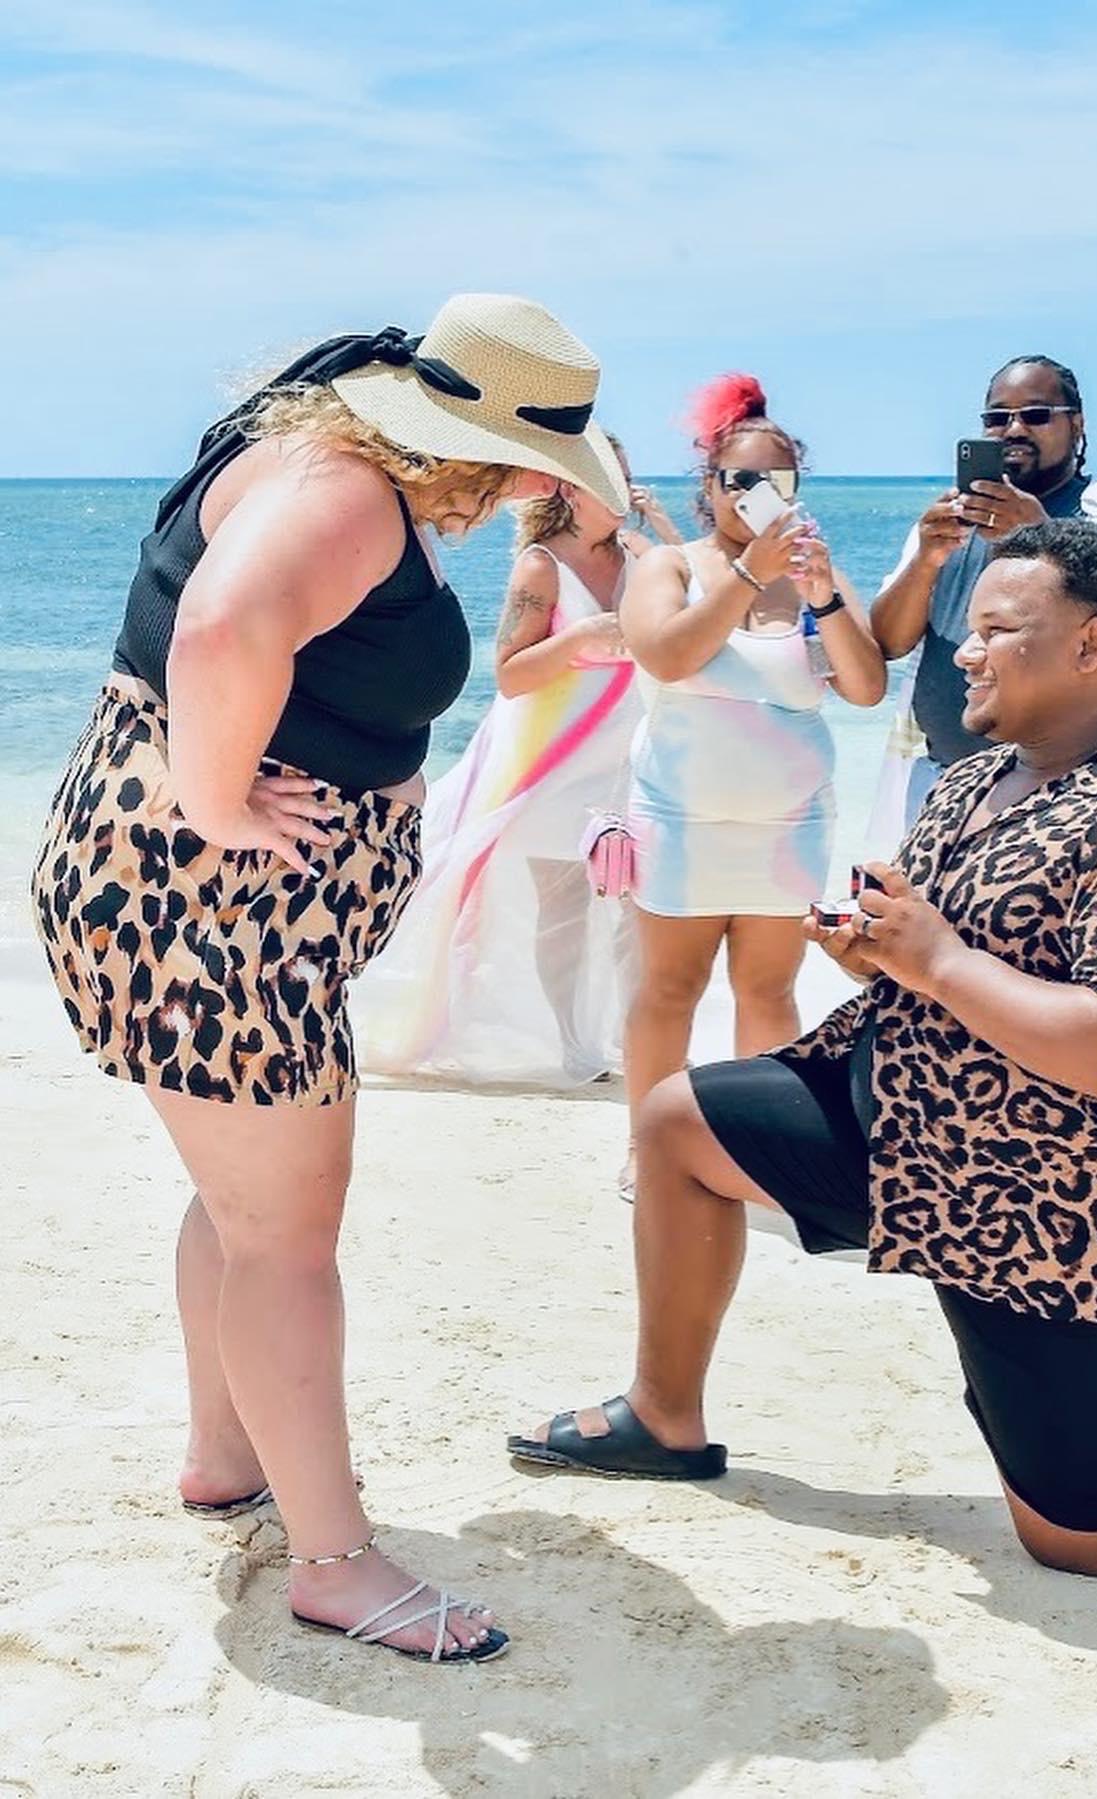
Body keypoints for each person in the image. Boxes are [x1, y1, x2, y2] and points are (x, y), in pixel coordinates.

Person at [511, 520, 1097, 1564]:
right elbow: (938, 954)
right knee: (677, 1122)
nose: (967, 652)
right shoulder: (975, 779)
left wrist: (935, 959)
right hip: (902, 1117)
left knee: (1086, 1537)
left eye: (996, 629)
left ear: (1090, 645)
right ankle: (663, 1414)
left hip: (1054, 1201)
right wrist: (879, 948)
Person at [31, 294, 631, 1663]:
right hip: (213, 910)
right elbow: (218, 632)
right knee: (288, 1241)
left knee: (245, 1203)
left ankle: (222, 1452)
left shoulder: (327, 446)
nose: (534, 492)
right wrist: (219, 801)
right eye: (533, 464)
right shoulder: (350, 496)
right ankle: (336, 1562)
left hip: (201, 906)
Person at [617, 374, 887, 1192]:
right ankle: (650, 1145)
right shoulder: (671, 566)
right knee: (670, 988)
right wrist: (745, 573)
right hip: (680, 820)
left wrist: (824, 597)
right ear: (709, 485)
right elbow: (666, 655)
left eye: (776, 478)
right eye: (739, 478)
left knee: (768, 990)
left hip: (788, 827)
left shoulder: (813, 577)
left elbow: (866, 687)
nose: (756, 493)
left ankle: (756, 1152)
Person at [358, 433, 645, 1086]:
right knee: (566, 907)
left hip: (625, 755)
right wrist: (582, 635)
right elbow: (511, 674)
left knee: (638, 904)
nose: (623, 491)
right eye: (608, 479)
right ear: (570, 487)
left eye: (626, 477)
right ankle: (577, 1047)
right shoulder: (542, 567)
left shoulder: (637, 555)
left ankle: (637, 1035)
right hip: (550, 762)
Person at [869, 355, 1097, 839]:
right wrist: (926, 559)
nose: (1014, 430)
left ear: (1077, 424)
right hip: (940, 782)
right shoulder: (950, 519)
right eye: (997, 418)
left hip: (1071, 792)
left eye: (1035, 415)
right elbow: (888, 642)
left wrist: (1042, 535)